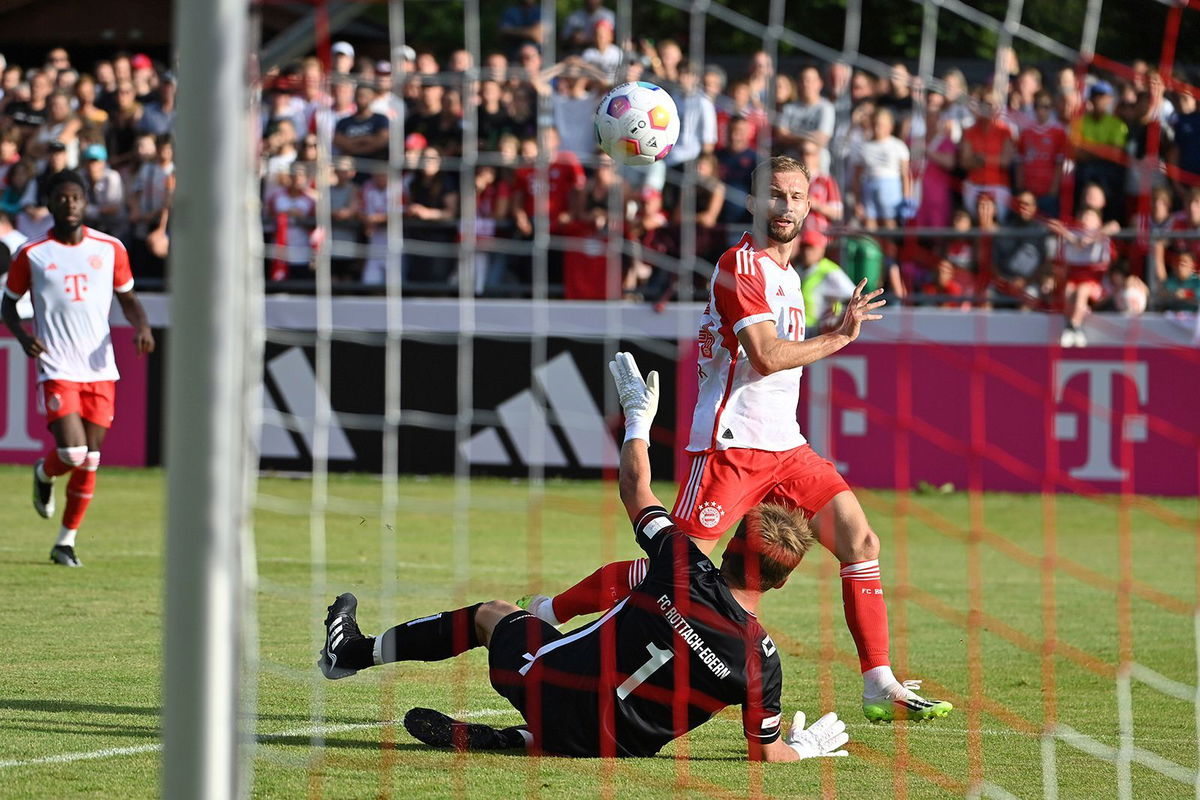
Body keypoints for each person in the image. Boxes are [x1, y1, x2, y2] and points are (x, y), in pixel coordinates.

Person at [520, 156, 952, 723]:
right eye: (774, 195)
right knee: (672, 576)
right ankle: (549, 613)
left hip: (787, 448)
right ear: (750, 202)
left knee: (861, 542)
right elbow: (767, 356)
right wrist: (840, 337)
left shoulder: (791, 277)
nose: (787, 207)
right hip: (730, 446)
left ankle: (878, 682)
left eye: (797, 197)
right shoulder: (739, 265)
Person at [319, 352, 851, 762]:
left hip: (548, 688)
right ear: (782, 582)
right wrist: (802, 749)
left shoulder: (683, 563)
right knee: (609, 720)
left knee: (493, 615)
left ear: (731, 544)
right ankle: (526, 740)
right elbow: (765, 752)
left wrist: (639, 421)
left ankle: (355, 654)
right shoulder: (762, 659)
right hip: (614, 749)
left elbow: (635, 489)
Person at [1, 170, 154, 567]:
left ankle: (65, 542)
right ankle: (45, 473)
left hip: (100, 366)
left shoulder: (110, 248)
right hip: (56, 364)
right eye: (62, 197)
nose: (70, 204)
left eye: (76, 198)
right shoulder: (32, 253)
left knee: (91, 459)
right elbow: (8, 305)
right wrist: (21, 335)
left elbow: (129, 298)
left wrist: (142, 328)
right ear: (50, 202)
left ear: (85, 202)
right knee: (71, 451)